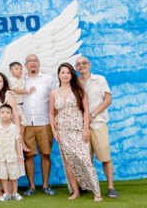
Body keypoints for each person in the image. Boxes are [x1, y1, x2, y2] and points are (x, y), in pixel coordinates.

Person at [49, 63, 102, 202]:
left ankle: (97, 192)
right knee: (68, 162)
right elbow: (51, 113)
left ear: (72, 75)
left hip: (78, 130)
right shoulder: (54, 93)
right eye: (62, 72)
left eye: (68, 72)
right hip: (63, 132)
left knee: (85, 159)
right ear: (59, 75)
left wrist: (85, 130)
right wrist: (54, 130)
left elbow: (85, 111)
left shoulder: (79, 91)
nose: (65, 75)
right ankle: (76, 190)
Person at [75, 56, 119, 198]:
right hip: (81, 126)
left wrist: (92, 115)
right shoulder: (74, 83)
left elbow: (108, 100)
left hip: (98, 123)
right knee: (85, 158)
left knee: (105, 156)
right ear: (76, 67)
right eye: (78, 64)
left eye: (84, 63)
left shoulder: (100, 79)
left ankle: (111, 187)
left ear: (90, 65)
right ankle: (88, 186)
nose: (81, 66)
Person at [22, 54, 57, 196]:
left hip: (44, 123)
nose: (33, 63)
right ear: (25, 65)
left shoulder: (48, 79)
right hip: (26, 124)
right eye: (29, 61)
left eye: (35, 60)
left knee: (45, 154)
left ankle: (46, 185)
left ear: (39, 63)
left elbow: (55, 99)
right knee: (28, 156)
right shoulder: (21, 81)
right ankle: (31, 186)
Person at [0, 104, 25, 202]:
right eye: (2, 112)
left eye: (7, 113)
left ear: (11, 115)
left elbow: (17, 142)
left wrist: (19, 155)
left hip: (12, 157)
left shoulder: (14, 127)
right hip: (1, 157)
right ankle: (6, 193)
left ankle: (15, 193)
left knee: (14, 176)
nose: (5, 115)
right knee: (3, 176)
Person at [8, 62, 35, 152]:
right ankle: (21, 142)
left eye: (20, 68)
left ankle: (19, 142)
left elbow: (28, 73)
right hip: (14, 106)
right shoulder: (11, 80)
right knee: (22, 122)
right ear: (10, 71)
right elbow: (17, 90)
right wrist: (28, 91)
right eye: (16, 68)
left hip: (20, 106)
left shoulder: (21, 77)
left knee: (21, 123)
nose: (19, 70)